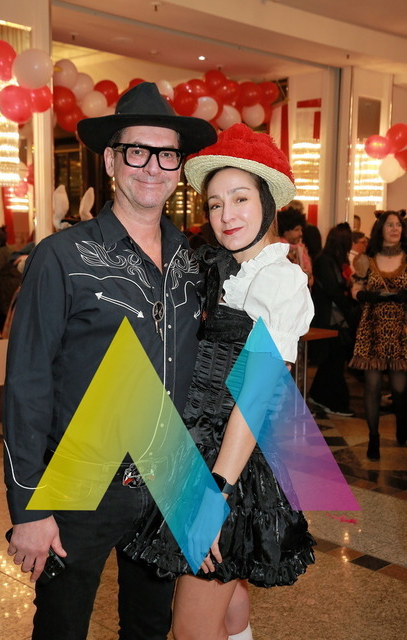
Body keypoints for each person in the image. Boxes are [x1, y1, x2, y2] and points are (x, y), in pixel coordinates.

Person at [3, 81, 218, 640]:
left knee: (149, 627)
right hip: (79, 478)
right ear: (110, 160)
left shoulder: (193, 263)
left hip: (167, 477)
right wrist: (29, 509)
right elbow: (27, 383)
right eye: (137, 151)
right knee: (62, 627)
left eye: (167, 154)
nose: (153, 167)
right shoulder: (63, 257)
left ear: (179, 166)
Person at [125, 123, 316, 640]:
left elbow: (257, 396)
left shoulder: (278, 279)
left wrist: (217, 492)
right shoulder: (231, 269)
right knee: (229, 602)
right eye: (214, 204)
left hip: (229, 463)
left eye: (240, 198)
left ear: (268, 203)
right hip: (203, 447)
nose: (226, 215)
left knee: (191, 626)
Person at [349, 210, 407, 460]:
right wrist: (363, 295)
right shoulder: (367, 259)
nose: (395, 229)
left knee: (400, 389)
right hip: (371, 329)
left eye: (398, 225)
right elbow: (356, 286)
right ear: (380, 228)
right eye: (390, 224)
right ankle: (374, 437)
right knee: (372, 387)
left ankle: (402, 422)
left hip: (401, 331)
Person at [308, 223, 360, 417]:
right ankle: (330, 400)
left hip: (333, 317)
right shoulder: (326, 261)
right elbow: (333, 291)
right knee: (333, 360)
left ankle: (320, 396)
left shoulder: (331, 261)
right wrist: (349, 305)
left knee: (332, 361)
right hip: (329, 318)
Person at [277, 207, 313, 286]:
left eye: (301, 229)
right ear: (285, 231)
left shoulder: (300, 250)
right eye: (296, 230)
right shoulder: (278, 251)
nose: (301, 233)